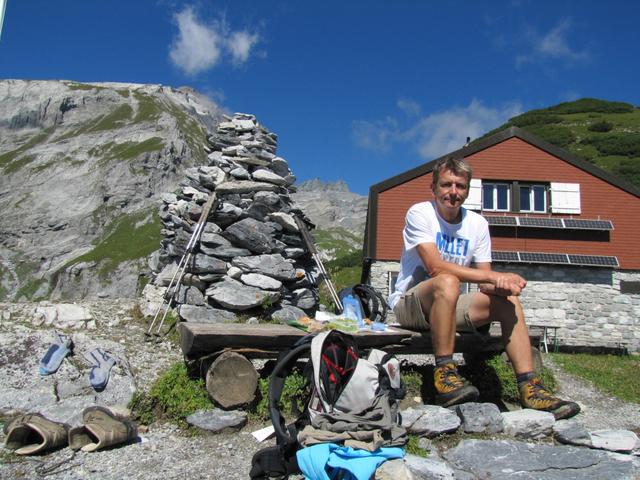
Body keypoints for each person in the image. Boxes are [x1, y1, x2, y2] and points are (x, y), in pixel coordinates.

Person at [388, 156, 580, 420]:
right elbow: (434, 266)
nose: (453, 192)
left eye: (460, 186)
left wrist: (504, 284)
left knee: (507, 300)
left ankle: (530, 387)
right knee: (446, 279)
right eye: (446, 185)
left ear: (467, 190)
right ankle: (444, 373)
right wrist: (492, 277)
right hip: (411, 306)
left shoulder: (478, 225)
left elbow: (486, 278)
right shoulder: (420, 213)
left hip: (449, 305)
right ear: (433, 188)